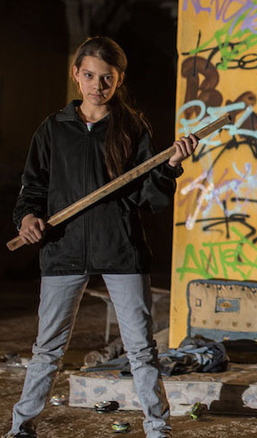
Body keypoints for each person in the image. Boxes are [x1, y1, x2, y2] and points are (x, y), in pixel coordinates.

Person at [7, 36, 197, 438]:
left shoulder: (132, 127)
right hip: (63, 250)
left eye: (107, 78)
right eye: (90, 75)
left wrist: (172, 165)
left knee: (142, 349)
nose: (98, 84)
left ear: (118, 80)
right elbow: (32, 188)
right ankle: (22, 428)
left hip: (122, 250)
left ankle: (158, 429)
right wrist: (27, 218)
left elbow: (151, 198)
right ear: (77, 75)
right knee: (47, 350)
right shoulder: (52, 130)